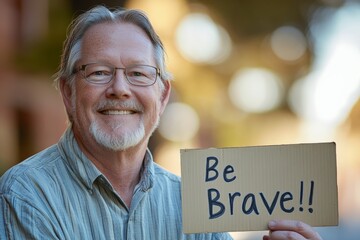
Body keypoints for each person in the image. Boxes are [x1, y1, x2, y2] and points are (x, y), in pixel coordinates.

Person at [0, 5, 323, 240]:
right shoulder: (27, 193)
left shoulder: (194, 202)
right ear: (68, 92)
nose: (120, 89)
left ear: (163, 96)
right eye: (99, 72)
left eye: (139, 74)